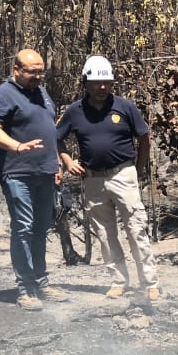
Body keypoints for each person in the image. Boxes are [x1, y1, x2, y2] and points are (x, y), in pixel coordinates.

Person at [56, 55, 159, 300]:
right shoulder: (75, 111)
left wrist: (139, 169)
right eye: (96, 83)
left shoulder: (125, 107)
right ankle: (118, 280)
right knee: (104, 232)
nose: (102, 87)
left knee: (136, 229)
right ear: (85, 83)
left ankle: (150, 283)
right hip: (92, 180)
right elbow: (56, 137)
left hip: (123, 174)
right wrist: (68, 161)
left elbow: (144, 138)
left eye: (107, 82)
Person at [0, 49, 68, 311]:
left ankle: (41, 282)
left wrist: (55, 162)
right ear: (16, 70)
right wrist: (17, 146)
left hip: (45, 171)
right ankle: (25, 289)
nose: (37, 76)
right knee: (23, 227)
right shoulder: (3, 94)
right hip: (17, 172)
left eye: (41, 71)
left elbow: (50, 130)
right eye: (32, 71)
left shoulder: (41, 93)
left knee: (41, 228)